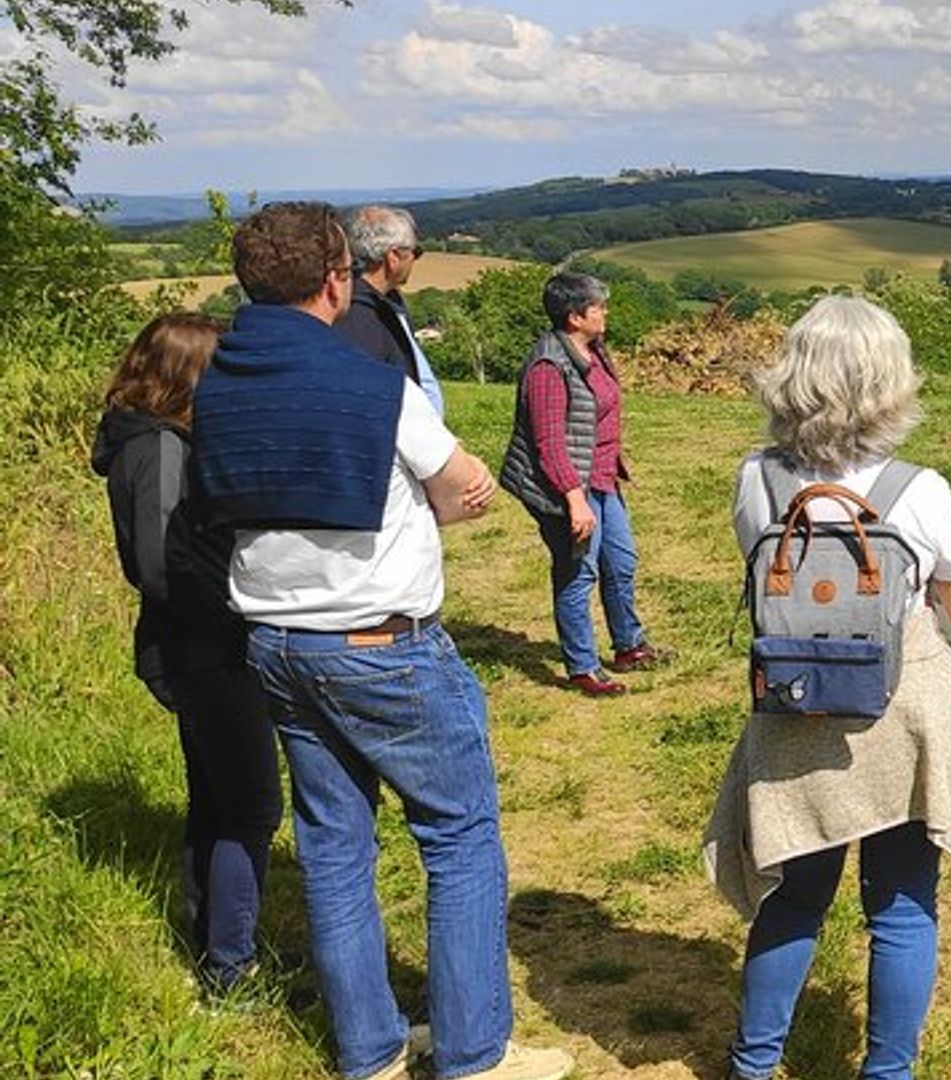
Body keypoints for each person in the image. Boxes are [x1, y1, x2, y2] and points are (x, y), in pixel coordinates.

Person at [192, 202, 573, 1080]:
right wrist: (454, 497)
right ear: (336, 281)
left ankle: (370, 1054)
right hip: (381, 643)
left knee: (333, 850)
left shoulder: (219, 385)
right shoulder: (373, 388)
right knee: (460, 834)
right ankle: (475, 1054)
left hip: (277, 646)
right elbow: (453, 489)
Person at [704, 295, 951, 1080]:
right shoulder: (921, 490)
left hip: (795, 710)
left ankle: (753, 1064)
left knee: (794, 893)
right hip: (904, 715)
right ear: (891, 384)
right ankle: (886, 1073)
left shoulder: (758, 479)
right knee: (903, 906)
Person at [92, 313, 282, 995]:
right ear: (187, 375)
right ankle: (232, 968)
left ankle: (209, 939)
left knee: (214, 797)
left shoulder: (144, 439)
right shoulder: (162, 449)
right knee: (251, 808)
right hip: (203, 647)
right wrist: (239, 606)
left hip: (188, 644)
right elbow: (161, 563)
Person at [498, 271, 667, 696]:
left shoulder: (592, 350)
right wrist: (575, 501)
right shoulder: (548, 367)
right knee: (577, 573)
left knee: (621, 562)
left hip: (601, 478)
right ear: (574, 317)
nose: (606, 312)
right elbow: (550, 442)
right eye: (599, 307)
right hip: (566, 485)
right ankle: (582, 667)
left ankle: (628, 645)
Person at [335, 204, 446, 415]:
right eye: (415, 251)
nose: (415, 259)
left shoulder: (385, 301)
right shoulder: (360, 316)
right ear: (393, 257)